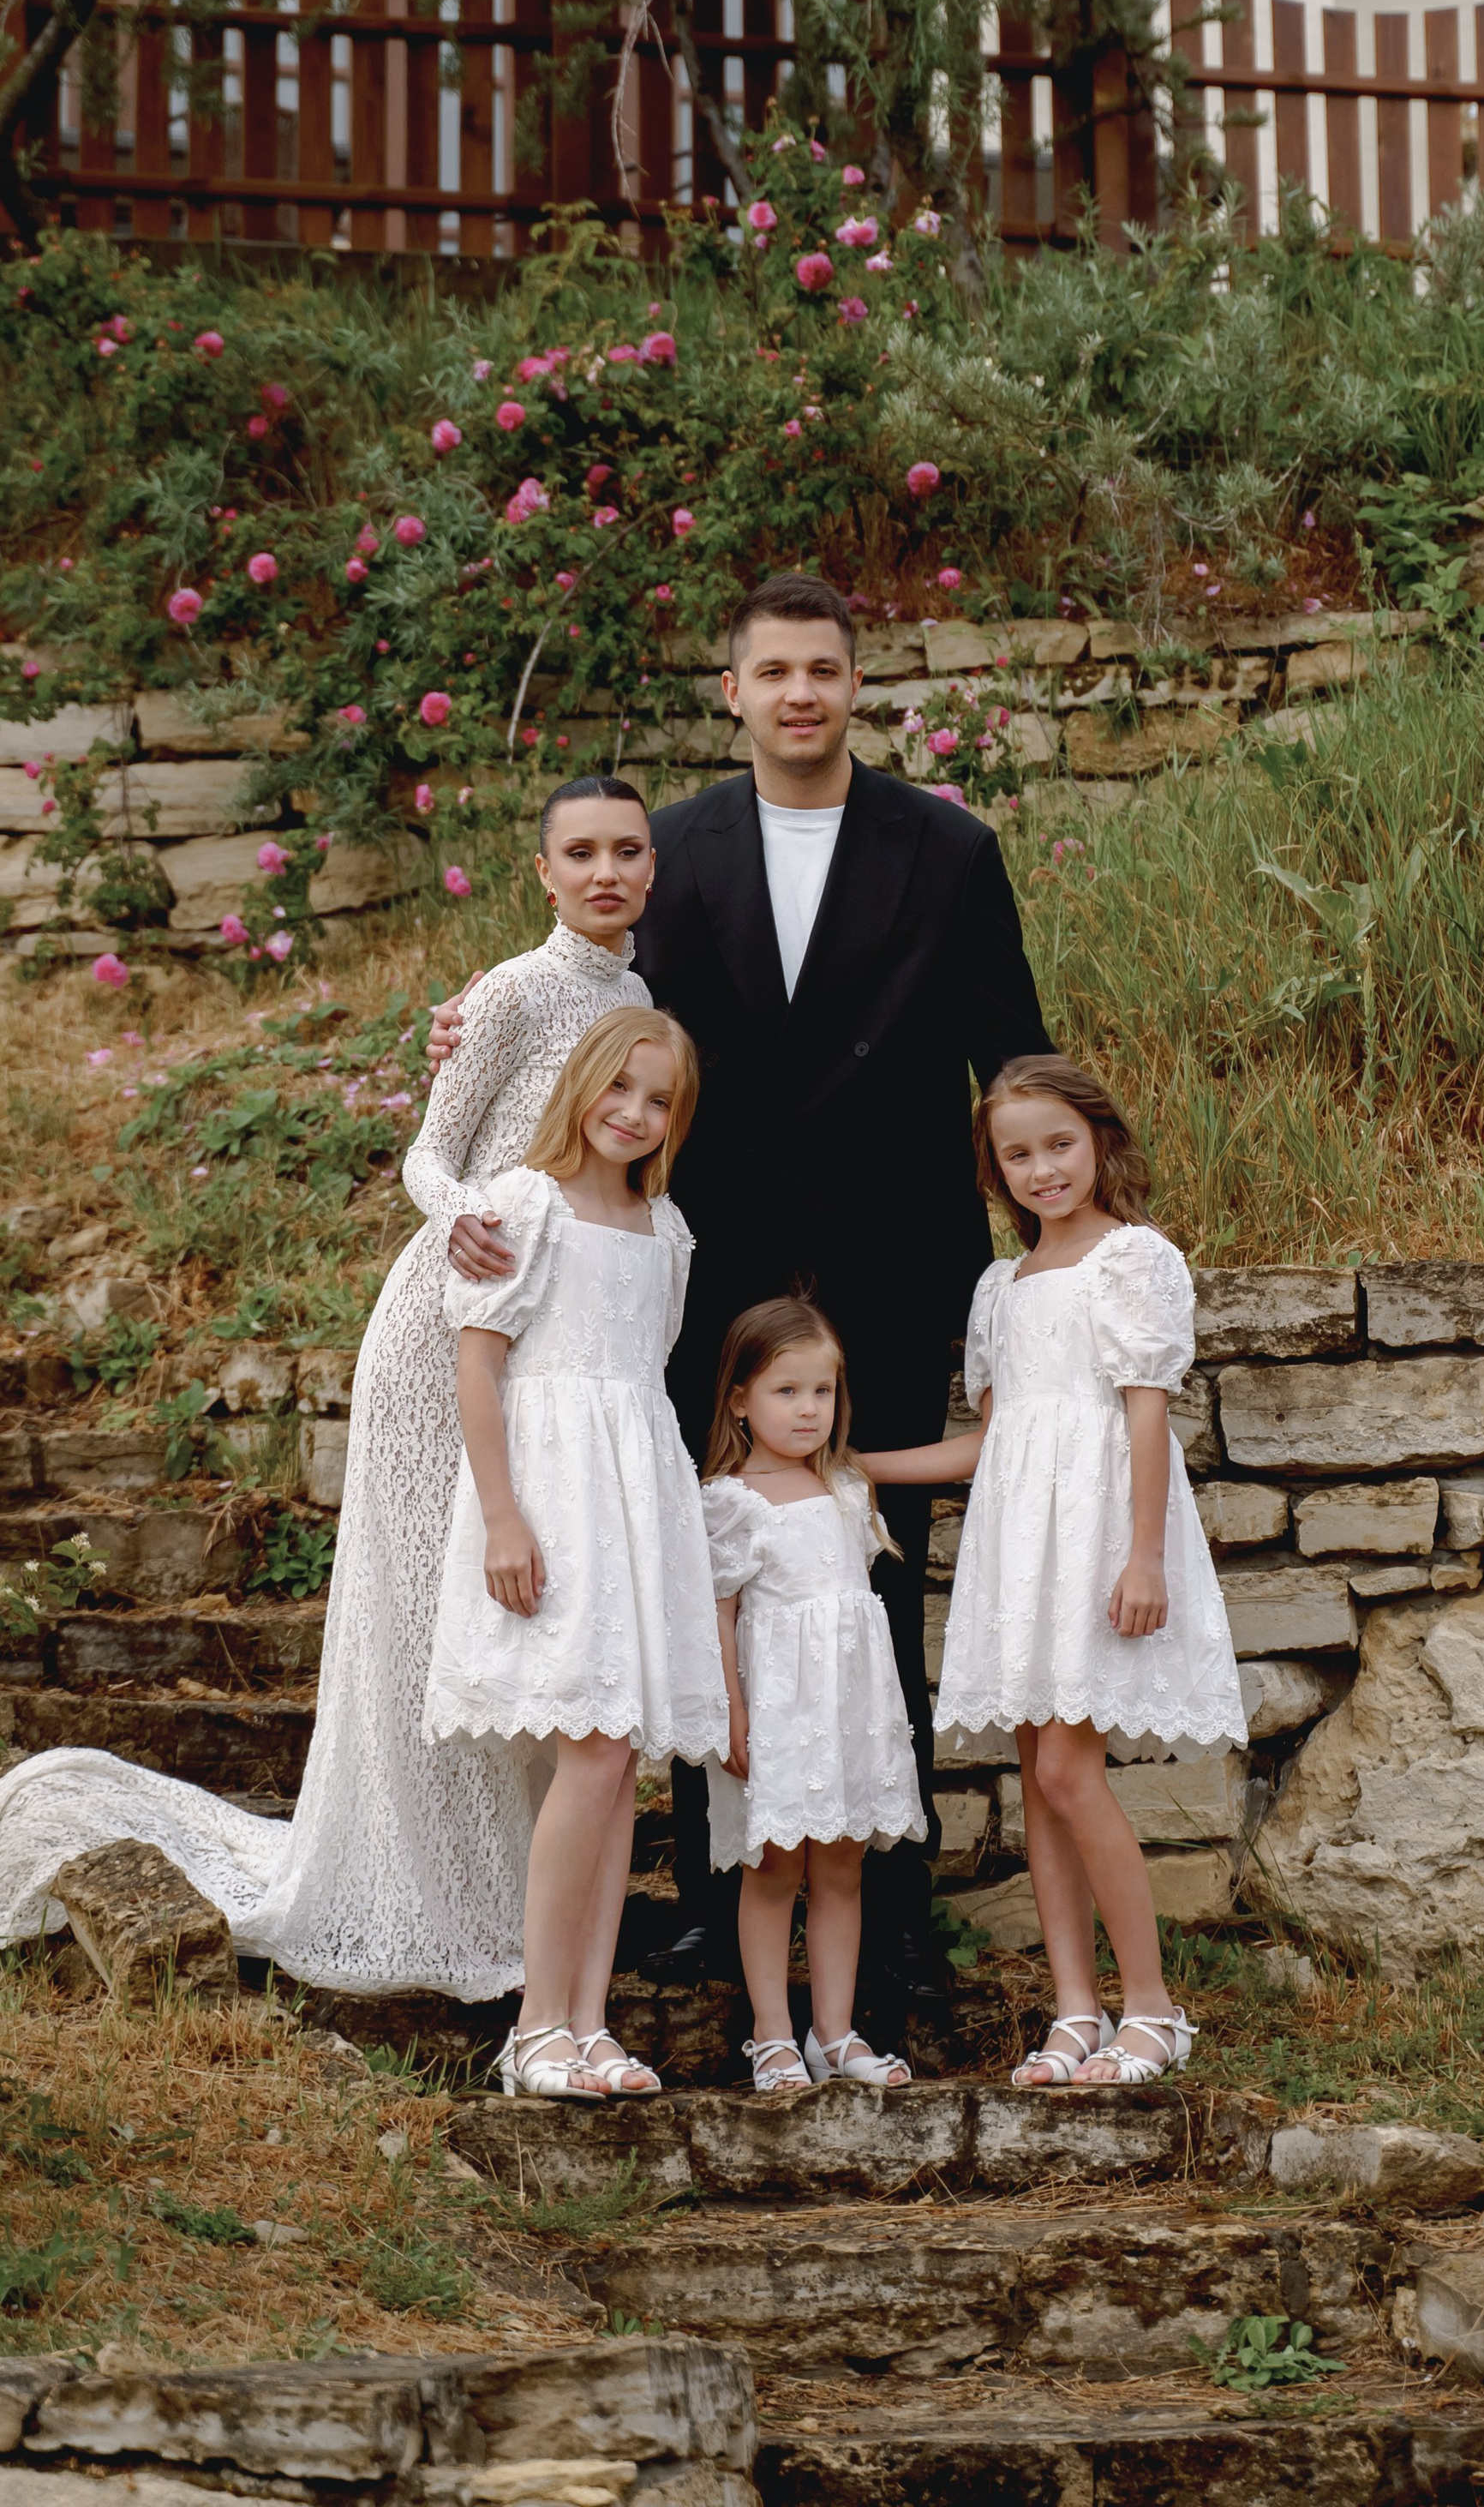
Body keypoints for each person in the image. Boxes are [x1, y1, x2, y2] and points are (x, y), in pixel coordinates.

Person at [432, 571, 1050, 2011]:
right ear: (735, 690)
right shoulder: (679, 850)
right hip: (709, 1281)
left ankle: (889, 1910)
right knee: (712, 1584)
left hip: (897, 1275)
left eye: (824, 670)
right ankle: (722, 1905)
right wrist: (480, 1008)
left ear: (856, 680)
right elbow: (579, 989)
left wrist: (1034, 1271)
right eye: (773, 672)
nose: (800, 695)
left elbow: (1012, 1054)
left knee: (873, 1585)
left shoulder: (950, 850)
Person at [0, 777, 660, 2000]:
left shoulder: (635, 998)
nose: (605, 872)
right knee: (429, 1624)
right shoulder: (511, 990)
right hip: (451, 1320)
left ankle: (509, 1912)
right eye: (580, 853)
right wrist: (469, 1218)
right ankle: (416, 1896)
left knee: (519, 1630)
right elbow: (428, 1151)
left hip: (551, 1344)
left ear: (653, 867)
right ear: (541, 873)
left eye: (627, 852)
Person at [428, 1006, 726, 2099]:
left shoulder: (669, 1232)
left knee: (617, 1769)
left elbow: (642, 1387)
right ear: (581, 1085)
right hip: (549, 1500)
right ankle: (535, 2025)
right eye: (620, 1089)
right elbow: (478, 1365)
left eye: (658, 1101)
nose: (634, 1115)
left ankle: (590, 2025)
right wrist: (505, 1517)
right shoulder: (524, 1203)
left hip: (634, 1501)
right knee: (592, 1756)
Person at [937, 1053, 1244, 2090]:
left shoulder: (1133, 1260)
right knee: (1037, 1778)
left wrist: (1144, 1553)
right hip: (1019, 1542)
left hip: (1099, 1531)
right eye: (1016, 1155)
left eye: (1058, 1145)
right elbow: (988, 1441)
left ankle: (1152, 2009)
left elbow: (1145, 1408)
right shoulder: (999, 1286)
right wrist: (847, 1464)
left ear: (1100, 1141)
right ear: (995, 1171)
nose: (1041, 1170)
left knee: (1071, 1769)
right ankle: (1074, 2012)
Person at [697, 1298, 933, 2091]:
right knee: (773, 1869)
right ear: (740, 1399)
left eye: (822, 1393)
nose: (808, 1410)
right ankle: (771, 2034)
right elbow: (720, 1619)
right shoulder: (731, 1500)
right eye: (785, 1391)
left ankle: (834, 2032)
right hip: (777, 1711)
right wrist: (731, 1714)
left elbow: (849, 1621)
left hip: (847, 1712)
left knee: (841, 1869)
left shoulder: (845, 1488)